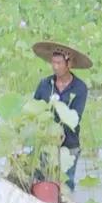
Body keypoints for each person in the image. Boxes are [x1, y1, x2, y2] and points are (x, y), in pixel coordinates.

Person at [31, 41, 91, 192]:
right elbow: (34, 109)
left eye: (59, 63)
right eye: (53, 62)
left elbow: (75, 117)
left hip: (69, 144)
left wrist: (60, 132)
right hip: (45, 143)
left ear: (68, 64)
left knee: (66, 184)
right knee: (41, 182)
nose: (55, 67)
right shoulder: (45, 84)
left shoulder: (80, 88)